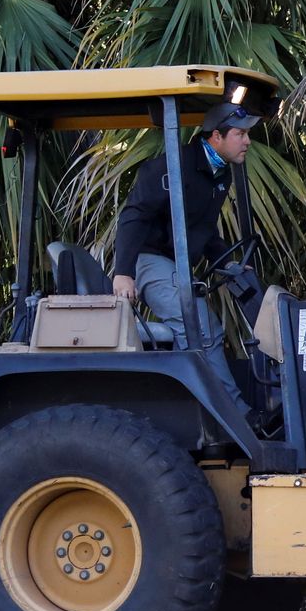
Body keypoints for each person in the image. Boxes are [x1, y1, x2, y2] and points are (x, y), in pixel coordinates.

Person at [112, 102, 259, 412]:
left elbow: (203, 230)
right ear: (216, 136)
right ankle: (230, 416)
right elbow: (134, 216)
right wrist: (123, 272)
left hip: (175, 263)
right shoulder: (171, 167)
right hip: (147, 259)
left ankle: (227, 411)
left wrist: (226, 262)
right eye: (240, 134)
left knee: (210, 328)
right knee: (198, 325)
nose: (247, 141)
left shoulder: (219, 175)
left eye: (247, 134)